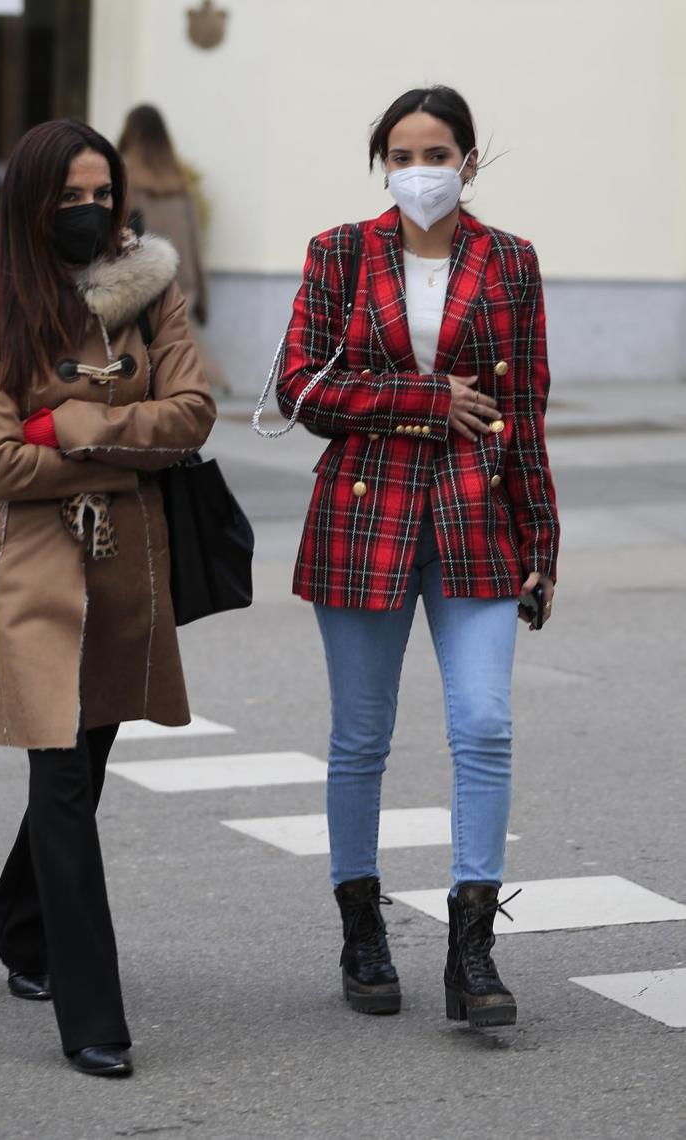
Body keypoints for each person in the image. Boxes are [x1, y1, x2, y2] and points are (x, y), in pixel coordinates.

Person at [273, 86, 559, 1027]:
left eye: (437, 151)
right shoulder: (339, 253)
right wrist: (425, 401)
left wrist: (541, 541)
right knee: (361, 736)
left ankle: (471, 951)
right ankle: (361, 929)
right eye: (401, 153)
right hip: (365, 517)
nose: (419, 169)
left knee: (482, 725)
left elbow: (525, 414)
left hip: (477, 517)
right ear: (381, 162)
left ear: (468, 161)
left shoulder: (509, 261)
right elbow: (302, 385)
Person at [0, 118, 215, 1076]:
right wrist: (110, 444)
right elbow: (0, 462)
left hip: (125, 556)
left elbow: (191, 417)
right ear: (31, 202)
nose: (91, 212)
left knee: (87, 758)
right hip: (26, 560)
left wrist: (67, 422)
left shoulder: (148, 288)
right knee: (59, 771)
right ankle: (91, 1014)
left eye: (104, 196)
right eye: (71, 199)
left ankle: (22, 926)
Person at [117, 104, 229, 393]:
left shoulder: (122, 179)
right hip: (182, 277)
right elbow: (194, 243)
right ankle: (209, 385)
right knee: (182, 343)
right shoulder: (180, 182)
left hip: (141, 276)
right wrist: (202, 294)